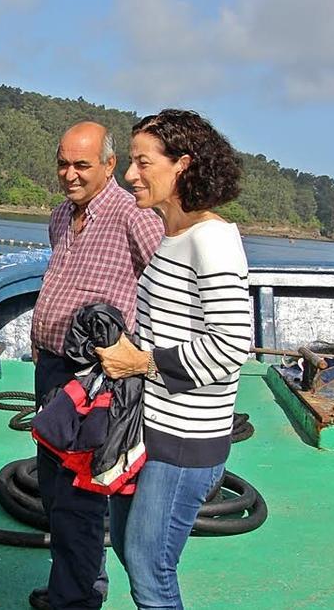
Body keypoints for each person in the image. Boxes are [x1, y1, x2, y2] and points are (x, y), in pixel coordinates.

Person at [96, 109, 252, 610]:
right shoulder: (172, 236)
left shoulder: (212, 239)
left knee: (149, 567)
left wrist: (140, 363)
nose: (129, 175)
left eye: (143, 162)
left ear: (182, 165)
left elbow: (232, 344)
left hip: (185, 442)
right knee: (126, 546)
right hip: (148, 430)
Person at [28, 122, 164, 610]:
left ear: (109, 165)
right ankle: (75, 583)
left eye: (82, 165)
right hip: (51, 372)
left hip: (93, 382)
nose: (70, 174)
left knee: (78, 496)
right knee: (53, 491)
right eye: (63, 163)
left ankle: (76, 599)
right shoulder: (61, 215)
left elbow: (167, 284)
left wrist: (141, 358)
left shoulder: (133, 216)